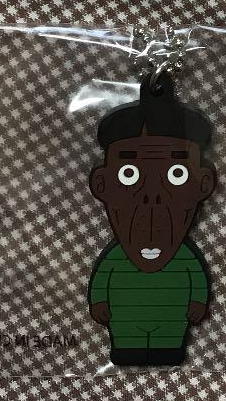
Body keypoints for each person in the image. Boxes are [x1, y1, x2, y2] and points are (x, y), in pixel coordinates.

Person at [88, 81, 216, 366]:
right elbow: (102, 277)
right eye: (129, 173)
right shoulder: (116, 257)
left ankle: (168, 350)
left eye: (177, 174)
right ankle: (127, 350)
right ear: (101, 184)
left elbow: (196, 277)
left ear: (203, 183)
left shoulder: (183, 257)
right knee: (127, 345)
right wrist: (98, 301)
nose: (152, 196)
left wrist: (198, 300)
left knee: (169, 345)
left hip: (172, 318)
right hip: (124, 318)